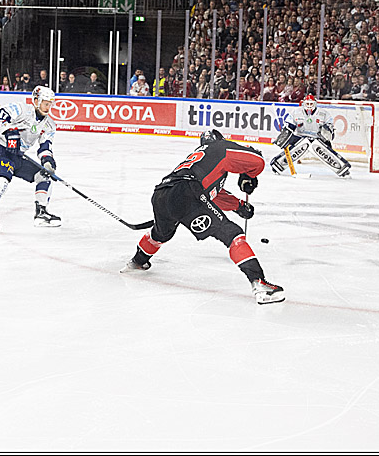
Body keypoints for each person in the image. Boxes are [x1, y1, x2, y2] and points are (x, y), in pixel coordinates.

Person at [119, 129, 284, 305]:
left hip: (162, 193)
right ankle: (260, 284)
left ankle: (136, 262)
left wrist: (239, 206)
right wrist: (248, 175)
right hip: (187, 192)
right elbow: (257, 161)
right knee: (232, 234)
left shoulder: (200, 160)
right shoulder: (220, 148)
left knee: (161, 234)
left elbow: (213, 195)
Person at [0, 85, 60, 233]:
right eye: (45, 102)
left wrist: (47, 161)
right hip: (3, 150)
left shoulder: (49, 125)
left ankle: (41, 213)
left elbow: (45, 146)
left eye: (50, 103)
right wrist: (10, 132)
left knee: (43, 176)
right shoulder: (21, 109)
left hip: (19, 155)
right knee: (0, 182)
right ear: (36, 100)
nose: (48, 106)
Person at [269, 95, 351, 177]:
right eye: (307, 103)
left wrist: (327, 131)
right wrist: (284, 136)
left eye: (311, 104)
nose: (309, 106)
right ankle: (278, 164)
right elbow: (290, 126)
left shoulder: (324, 114)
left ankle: (342, 168)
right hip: (300, 138)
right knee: (297, 143)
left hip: (317, 139)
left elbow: (331, 133)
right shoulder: (296, 112)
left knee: (324, 148)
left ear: (315, 103)